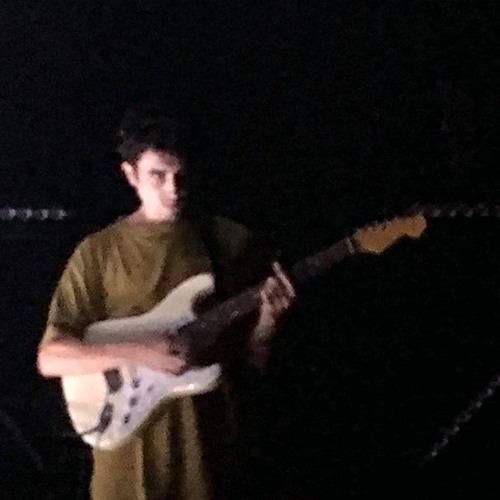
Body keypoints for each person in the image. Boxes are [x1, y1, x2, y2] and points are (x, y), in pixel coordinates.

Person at [37, 101, 296, 500]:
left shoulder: (226, 242)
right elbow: (52, 358)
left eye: (180, 176)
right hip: (126, 464)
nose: (173, 190)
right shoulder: (98, 252)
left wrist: (268, 321)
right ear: (131, 175)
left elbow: (250, 361)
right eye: (158, 176)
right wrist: (141, 351)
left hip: (207, 458)